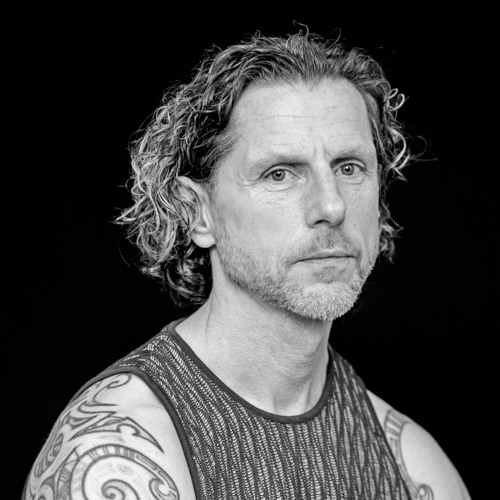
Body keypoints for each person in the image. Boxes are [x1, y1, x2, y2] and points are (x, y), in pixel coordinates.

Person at [22, 30, 471, 499]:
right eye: (280, 174)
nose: (332, 206)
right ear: (198, 213)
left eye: (349, 167)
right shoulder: (113, 455)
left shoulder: (413, 467)